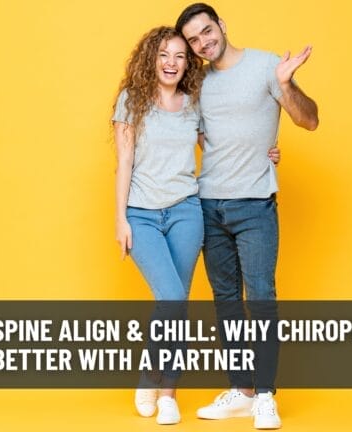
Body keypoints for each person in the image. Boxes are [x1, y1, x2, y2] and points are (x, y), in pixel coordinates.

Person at [112, 25, 281, 425]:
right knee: (170, 297)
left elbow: (221, 146)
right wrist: (120, 218)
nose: (171, 63)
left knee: (178, 302)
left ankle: (167, 394)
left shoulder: (192, 103)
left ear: (188, 62)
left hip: (188, 211)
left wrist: (263, 153)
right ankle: (151, 376)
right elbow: (123, 163)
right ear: (149, 59)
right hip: (142, 214)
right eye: (163, 55)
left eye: (179, 56)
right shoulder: (131, 102)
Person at [175, 3, 319, 430]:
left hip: (255, 205)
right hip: (209, 205)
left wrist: (285, 84)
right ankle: (242, 390)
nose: (203, 43)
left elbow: (309, 120)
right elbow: (200, 137)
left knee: (260, 299)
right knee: (225, 303)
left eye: (206, 32)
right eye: (194, 41)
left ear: (221, 25)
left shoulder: (267, 66)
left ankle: (266, 396)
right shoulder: (199, 82)